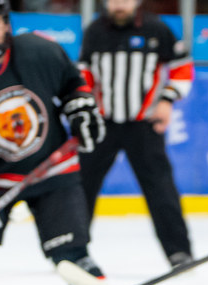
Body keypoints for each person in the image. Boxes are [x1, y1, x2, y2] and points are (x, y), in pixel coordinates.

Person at [0, 1, 135, 285]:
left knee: (72, 255)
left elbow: (74, 83)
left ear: (5, 24)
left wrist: (81, 109)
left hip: (50, 168)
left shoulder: (38, 50)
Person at [77, 0, 195, 268]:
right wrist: (85, 108)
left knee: (160, 188)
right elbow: (83, 74)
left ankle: (179, 251)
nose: (119, 4)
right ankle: (75, 249)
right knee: (82, 186)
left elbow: (182, 67)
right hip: (103, 124)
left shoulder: (156, 29)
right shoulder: (94, 31)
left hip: (144, 124)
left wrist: (167, 100)